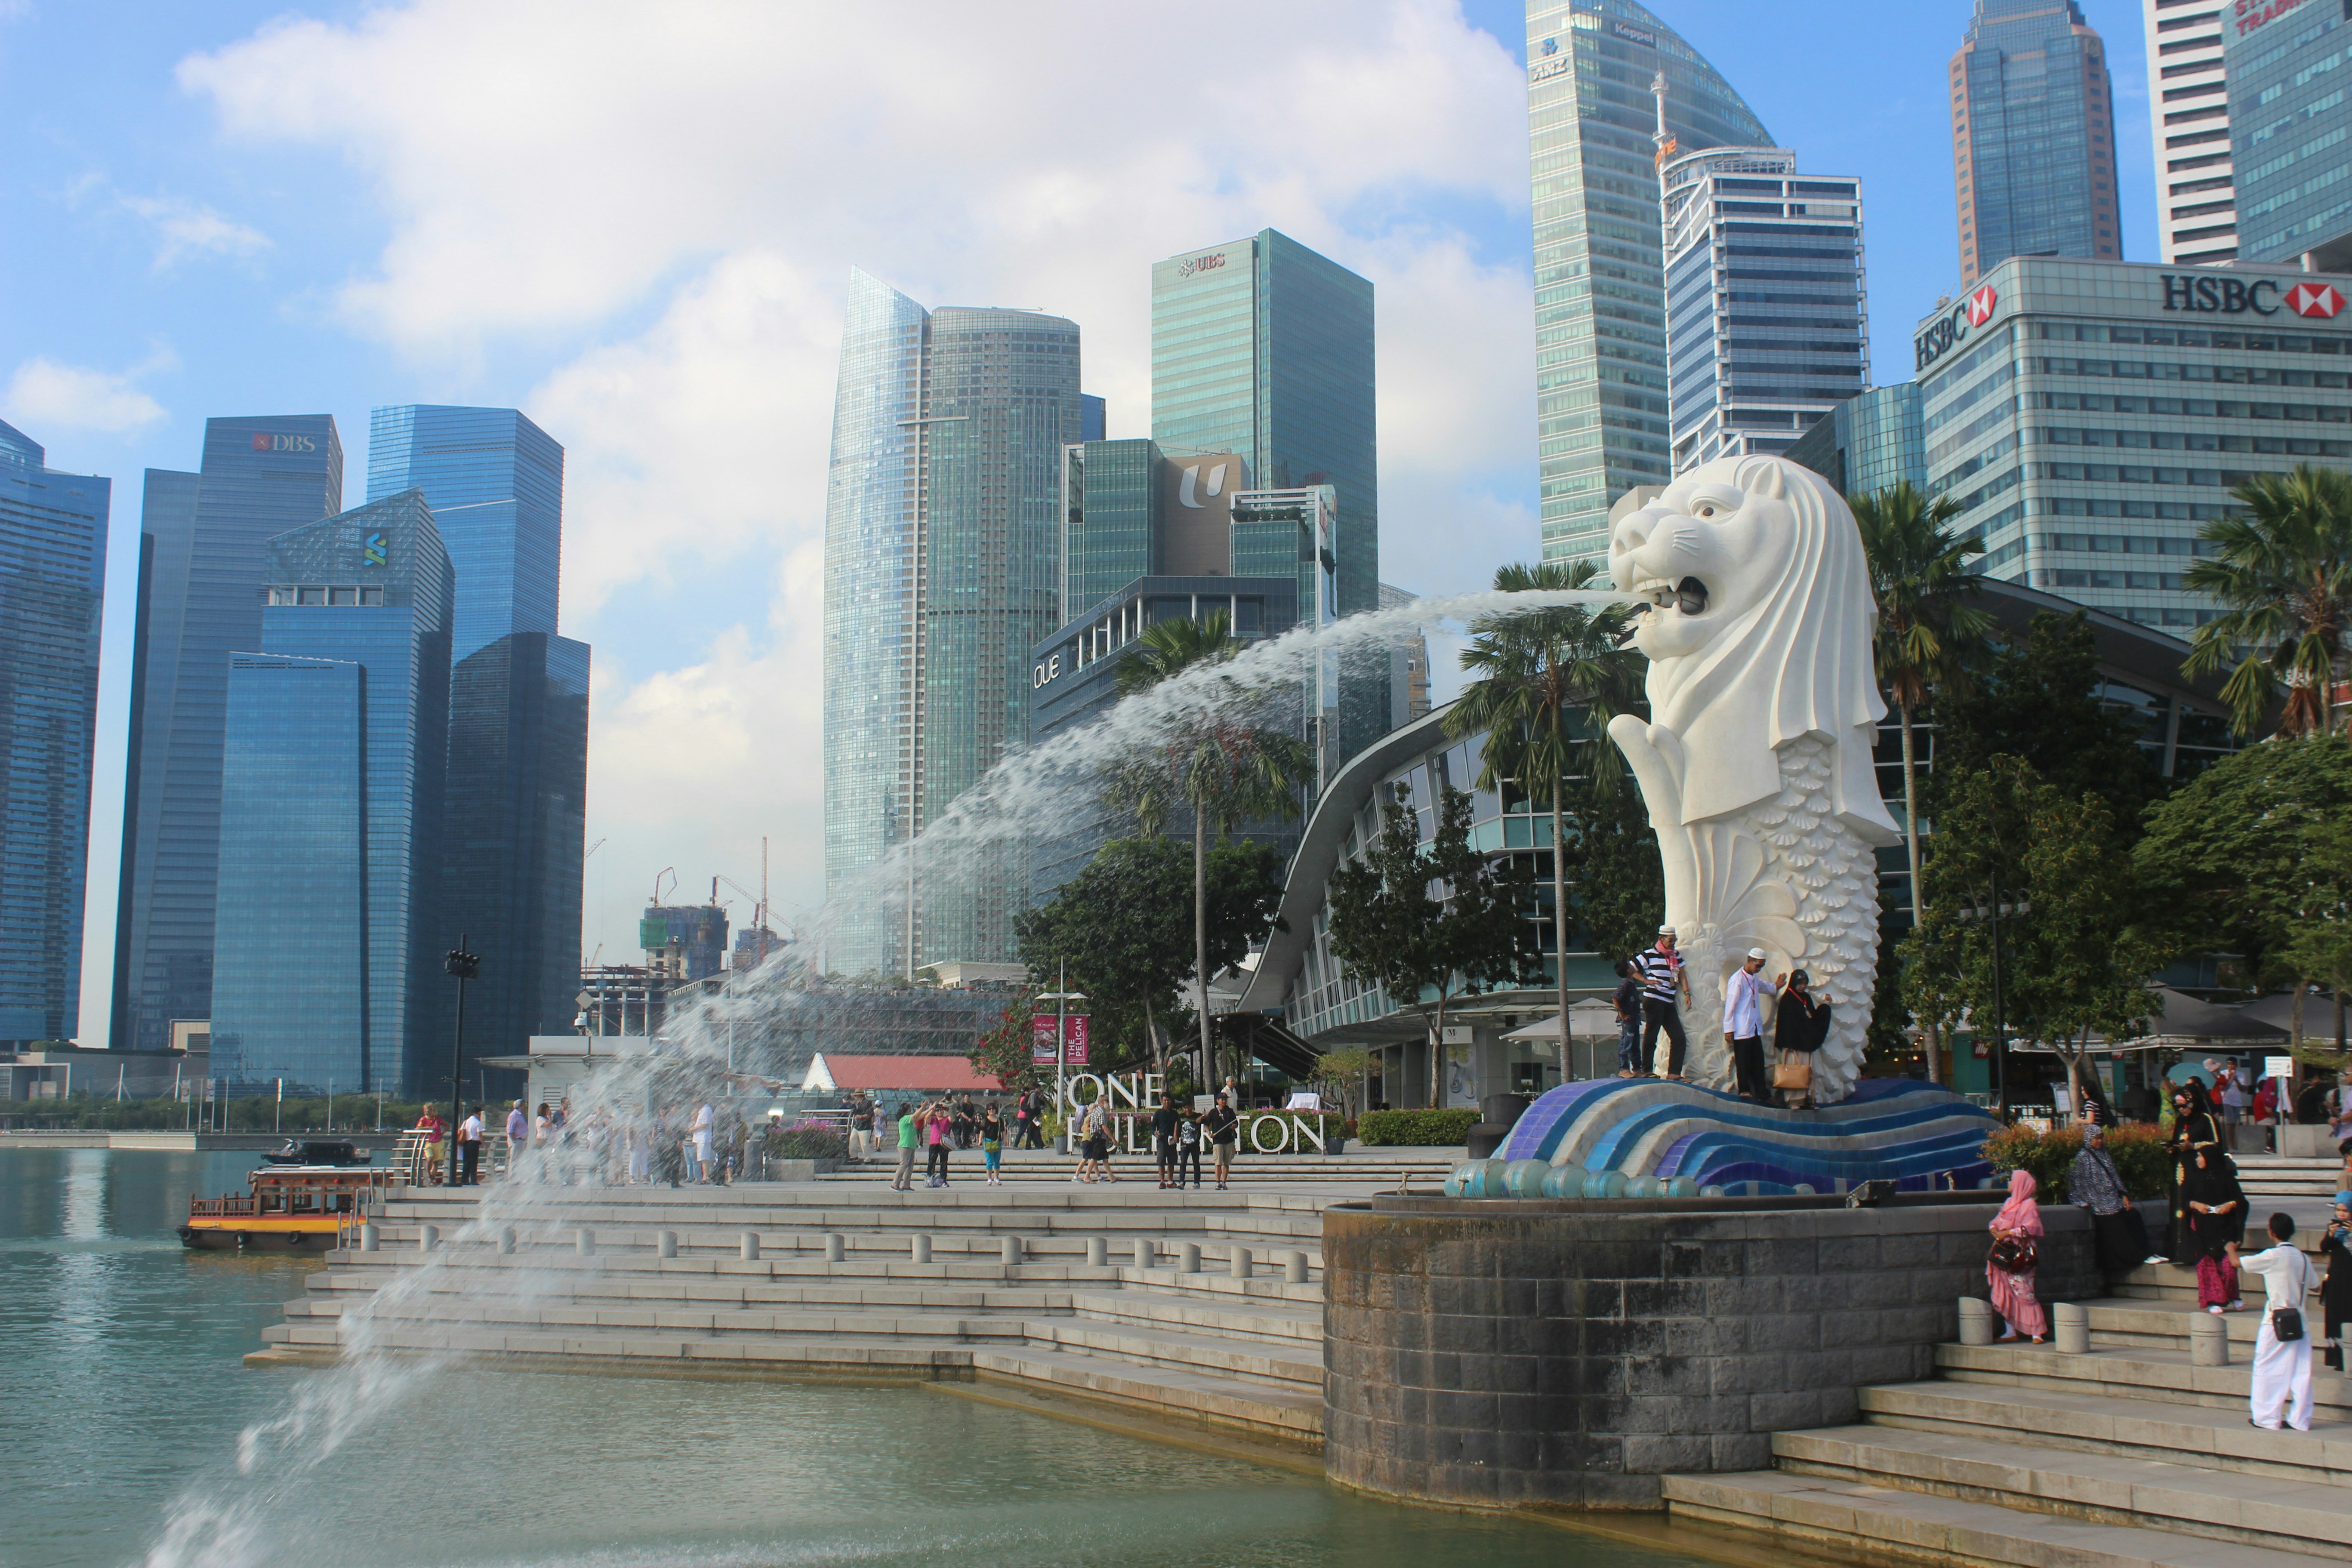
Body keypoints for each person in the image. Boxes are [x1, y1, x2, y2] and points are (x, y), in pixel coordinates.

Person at [2243, 1212, 2321, 1431]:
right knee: (2302, 1372)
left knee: (2266, 1366)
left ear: (2272, 1232)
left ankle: (2266, 1418)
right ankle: (2300, 1420)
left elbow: (2238, 1263)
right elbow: (2316, 1286)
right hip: (2300, 1321)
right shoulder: (2304, 1259)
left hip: (2275, 1321)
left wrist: (2230, 1249)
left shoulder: (2272, 1256)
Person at [2068, 1110, 2163, 1274]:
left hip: (2112, 1198)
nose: (2100, 1141)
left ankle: (2146, 1253)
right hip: (2099, 1202)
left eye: (2101, 1138)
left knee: (2134, 1217)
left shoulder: (2104, 1154)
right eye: (2096, 1138)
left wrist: (2123, 1195)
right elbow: (2078, 1182)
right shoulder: (2083, 1157)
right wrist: (2090, 1201)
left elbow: (2114, 1176)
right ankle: (2137, 1256)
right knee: (2119, 1222)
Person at [2165, 1078, 2228, 1262]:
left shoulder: (2206, 1119)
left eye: (2184, 1106)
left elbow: (2216, 1144)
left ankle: (2197, 1252)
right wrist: (2172, 1148)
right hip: (2181, 1171)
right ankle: (2179, 1252)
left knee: (2196, 1207)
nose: (2182, 1110)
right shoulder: (2180, 1121)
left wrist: (2194, 1146)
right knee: (2180, 1206)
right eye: (2178, 1107)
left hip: (2198, 1171)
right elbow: (2177, 1140)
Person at [2183, 1142, 2248, 1314]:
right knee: (2207, 1266)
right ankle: (2214, 1300)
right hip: (2203, 1230)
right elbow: (2183, 1201)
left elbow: (2242, 1202)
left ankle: (2234, 1296)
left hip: (2225, 1228)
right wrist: (2196, 1205)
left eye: (2200, 1156)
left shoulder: (2227, 1179)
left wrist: (2231, 1205)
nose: (2197, 1160)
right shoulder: (2194, 1179)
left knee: (2228, 1266)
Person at [1988, 1168, 2048, 1343]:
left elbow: (2031, 1228)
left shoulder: (2029, 1204)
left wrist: (2008, 1232)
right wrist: (1994, 1229)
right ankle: (2010, 1331)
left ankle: (2037, 1332)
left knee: (2025, 1291)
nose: (2009, 1183)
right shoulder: (2009, 1202)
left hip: (2020, 1254)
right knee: (2007, 1289)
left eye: (2012, 1180)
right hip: (2005, 1253)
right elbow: (1997, 1220)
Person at [1633, 927, 1691, 1080]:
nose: (1673, 943)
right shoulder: (1649, 954)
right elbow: (1630, 968)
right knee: (1652, 1035)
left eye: (1674, 940)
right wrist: (1645, 980)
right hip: (1654, 1000)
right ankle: (1646, 1070)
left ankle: (1674, 1073)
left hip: (1668, 1001)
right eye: (1670, 940)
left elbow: (1682, 973)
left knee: (1678, 1037)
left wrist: (1687, 992)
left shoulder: (1675, 955)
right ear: (1661, 939)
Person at [1772, 970, 1831, 1110]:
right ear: (1794, 983)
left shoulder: (1806, 998)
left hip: (1804, 1042)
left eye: (1805, 983)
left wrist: (1826, 1005)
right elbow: (1787, 1024)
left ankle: (1806, 1101)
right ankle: (1792, 1101)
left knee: (1806, 1072)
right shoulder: (1788, 999)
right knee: (1793, 1073)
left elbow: (1813, 1016)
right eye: (1800, 983)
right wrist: (1792, 1040)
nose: (1803, 986)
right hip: (1792, 1044)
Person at [1723, 948, 1772, 1102]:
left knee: (1758, 1062)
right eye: (1758, 966)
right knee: (1743, 1062)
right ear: (1750, 961)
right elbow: (1730, 1006)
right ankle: (1744, 1090)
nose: (1759, 970)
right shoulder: (1737, 980)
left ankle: (1762, 1093)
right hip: (1742, 1028)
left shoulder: (1753, 978)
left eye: (1762, 967)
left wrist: (1776, 986)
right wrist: (1729, 1029)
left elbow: (1763, 986)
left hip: (1754, 1028)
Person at [2319, 1194, 2352, 1371]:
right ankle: (2338, 1359)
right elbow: (2324, 1248)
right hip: (2336, 1282)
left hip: (2350, 1282)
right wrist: (2331, 1235)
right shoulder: (2334, 1226)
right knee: (2335, 1318)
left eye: (2345, 1211)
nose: (2341, 1214)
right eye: (2338, 1210)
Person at [1611, 960, 1643, 1078]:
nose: (1634, 967)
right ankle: (1624, 1069)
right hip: (1627, 1022)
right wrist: (1622, 1014)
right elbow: (1615, 997)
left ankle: (1637, 1069)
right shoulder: (1625, 984)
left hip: (1634, 1020)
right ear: (1629, 971)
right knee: (1626, 1044)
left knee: (1635, 1045)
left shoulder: (1632, 984)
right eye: (1631, 966)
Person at [1205, 1091, 1239, 1191]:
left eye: (1225, 1100)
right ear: (1218, 1101)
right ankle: (1218, 1182)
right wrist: (1209, 1133)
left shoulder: (1230, 1111)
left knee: (1227, 1163)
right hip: (1218, 1140)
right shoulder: (1213, 1112)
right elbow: (1206, 1124)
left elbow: (1236, 1124)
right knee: (1218, 1163)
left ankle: (1224, 1182)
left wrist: (1234, 1126)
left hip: (1229, 1140)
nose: (1224, 1101)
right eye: (1222, 1099)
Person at [1153, 1093, 1182, 1189]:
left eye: (1168, 1100)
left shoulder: (1175, 1114)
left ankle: (1170, 1181)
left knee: (1172, 1161)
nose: (1167, 1102)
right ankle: (1162, 1182)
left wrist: (1177, 1137)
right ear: (1162, 1102)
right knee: (1161, 1161)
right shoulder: (1158, 1113)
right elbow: (1153, 1126)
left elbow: (1179, 1126)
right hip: (1162, 1140)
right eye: (1165, 1101)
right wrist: (1155, 1133)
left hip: (1172, 1141)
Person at [1176, 1106, 1204, 1189]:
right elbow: (1177, 1125)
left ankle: (1197, 1182)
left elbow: (1208, 1116)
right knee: (1183, 1162)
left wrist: (1202, 1117)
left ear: (1192, 1107)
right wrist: (1176, 1136)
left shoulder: (1197, 1116)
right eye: (1185, 1108)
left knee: (1196, 1163)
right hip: (1184, 1143)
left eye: (1189, 1107)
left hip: (1195, 1143)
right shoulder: (1181, 1117)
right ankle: (1181, 1181)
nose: (1187, 1110)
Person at [893, 1102, 918, 1192]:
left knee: (910, 1166)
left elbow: (919, 1116)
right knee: (904, 1165)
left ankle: (906, 1185)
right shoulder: (904, 1118)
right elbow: (915, 1116)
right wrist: (923, 1107)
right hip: (905, 1145)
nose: (911, 1111)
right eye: (909, 1109)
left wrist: (930, 1109)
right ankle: (895, 1184)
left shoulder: (908, 1118)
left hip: (911, 1145)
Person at [457, 1106, 485, 1186]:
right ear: (478, 1113)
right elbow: (480, 1135)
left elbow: (461, 1131)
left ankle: (464, 1180)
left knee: (466, 1163)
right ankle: (474, 1180)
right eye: (480, 1114)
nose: (480, 1116)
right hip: (474, 1144)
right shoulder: (477, 1122)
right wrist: (485, 1146)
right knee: (474, 1163)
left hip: (466, 1143)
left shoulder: (466, 1121)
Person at [691, 1100, 715, 1184]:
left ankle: (706, 1177)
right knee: (702, 1158)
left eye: (696, 1103)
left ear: (701, 1102)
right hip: (700, 1137)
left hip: (704, 1137)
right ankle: (705, 1176)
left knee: (704, 1158)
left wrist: (694, 1128)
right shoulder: (702, 1110)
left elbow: (706, 1124)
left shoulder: (706, 1110)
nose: (696, 1105)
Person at [980, 1104, 1005, 1186]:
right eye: (990, 1109)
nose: (991, 1111)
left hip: (998, 1142)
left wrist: (1005, 1139)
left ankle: (997, 1178)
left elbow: (1003, 1131)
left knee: (997, 1161)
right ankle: (989, 1178)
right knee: (990, 1162)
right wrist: (980, 1140)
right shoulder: (985, 1120)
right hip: (988, 1142)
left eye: (993, 1109)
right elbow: (982, 1131)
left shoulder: (1000, 1120)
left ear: (996, 1110)